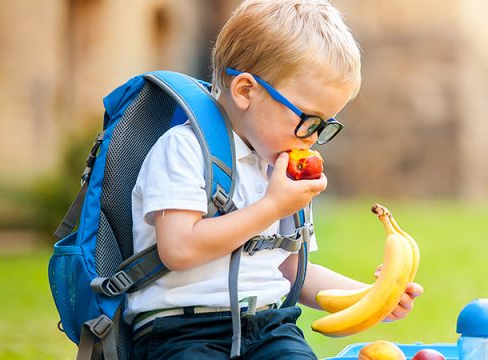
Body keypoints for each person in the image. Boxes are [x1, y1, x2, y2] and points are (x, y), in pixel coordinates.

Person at [127, 1, 423, 358]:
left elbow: (290, 267)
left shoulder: (279, 167)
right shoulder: (184, 150)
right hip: (182, 330)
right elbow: (178, 249)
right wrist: (273, 206)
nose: (312, 137)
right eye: (308, 119)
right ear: (246, 91)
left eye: (324, 125)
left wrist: (372, 297)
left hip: (268, 327)